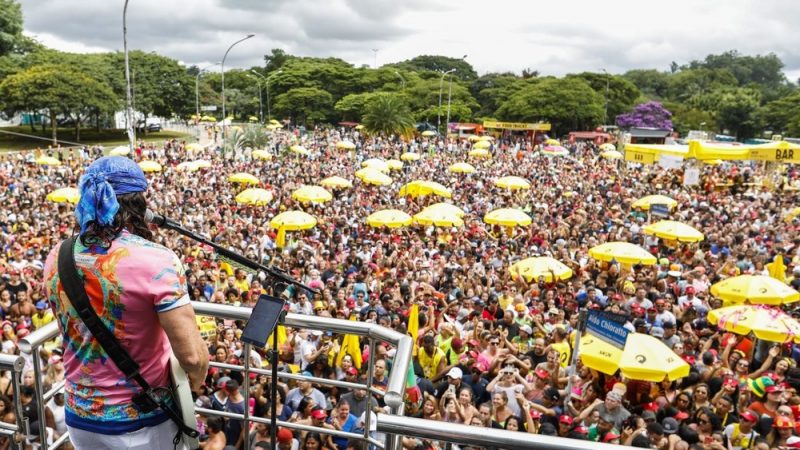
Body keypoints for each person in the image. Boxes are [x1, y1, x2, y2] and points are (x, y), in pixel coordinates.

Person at [42, 156, 209, 449]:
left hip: (80, 416)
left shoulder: (57, 254)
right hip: (140, 421)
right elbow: (193, 357)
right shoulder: (156, 259)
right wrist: (192, 384)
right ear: (140, 203)